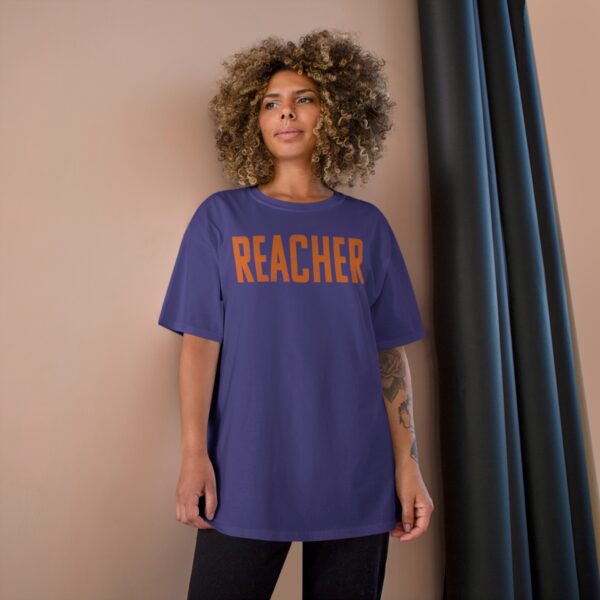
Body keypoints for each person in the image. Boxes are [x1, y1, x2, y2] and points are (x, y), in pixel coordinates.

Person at [158, 28, 434, 600]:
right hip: (246, 469)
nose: (286, 113)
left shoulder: (367, 226)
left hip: (357, 472)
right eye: (270, 103)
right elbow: (199, 343)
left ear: (336, 114)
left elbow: (389, 354)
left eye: (303, 99)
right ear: (252, 121)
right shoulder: (220, 219)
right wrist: (193, 455)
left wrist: (409, 467)